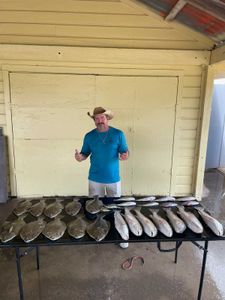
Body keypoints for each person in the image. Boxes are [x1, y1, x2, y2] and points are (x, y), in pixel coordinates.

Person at [75, 106, 129, 248]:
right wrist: (80, 157)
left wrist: (125, 156)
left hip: (113, 178)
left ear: (107, 119)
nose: (100, 120)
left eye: (102, 118)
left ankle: (117, 234)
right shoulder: (89, 136)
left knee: (114, 208)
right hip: (95, 177)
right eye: (97, 118)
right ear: (94, 120)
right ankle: (97, 231)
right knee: (94, 208)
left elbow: (125, 152)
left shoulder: (118, 134)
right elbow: (85, 153)